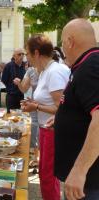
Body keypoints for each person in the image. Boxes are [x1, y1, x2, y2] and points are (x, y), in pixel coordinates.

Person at [54, 18, 99, 200]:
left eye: (63, 42)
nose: (63, 49)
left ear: (70, 42)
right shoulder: (86, 64)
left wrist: (79, 170)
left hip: (88, 182)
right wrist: (62, 119)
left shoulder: (91, 66)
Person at [21, 34, 70, 200]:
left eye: (27, 54)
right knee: (46, 175)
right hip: (46, 129)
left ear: (36, 53)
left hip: (53, 131)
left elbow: (62, 108)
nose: (26, 58)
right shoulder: (44, 72)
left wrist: (36, 106)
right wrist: (33, 103)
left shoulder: (54, 72)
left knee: (48, 176)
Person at [13, 58, 39, 172]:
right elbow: (24, 88)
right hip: (33, 104)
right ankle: (34, 157)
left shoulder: (50, 70)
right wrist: (19, 83)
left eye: (28, 54)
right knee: (34, 129)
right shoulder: (31, 70)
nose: (26, 58)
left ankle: (39, 158)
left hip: (47, 107)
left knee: (42, 131)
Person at [2, 48, 26, 113]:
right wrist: (11, 86)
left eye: (23, 54)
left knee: (21, 116)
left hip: (22, 96)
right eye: (19, 54)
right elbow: (4, 80)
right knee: (11, 116)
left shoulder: (25, 66)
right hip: (11, 96)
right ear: (14, 56)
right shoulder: (9, 66)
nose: (21, 56)